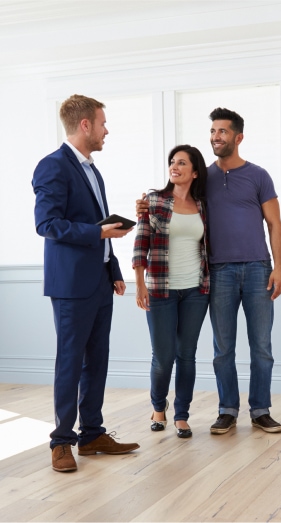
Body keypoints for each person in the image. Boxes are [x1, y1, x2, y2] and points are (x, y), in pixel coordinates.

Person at [136, 107, 281, 435]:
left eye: (223, 131)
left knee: (261, 345)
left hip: (259, 268)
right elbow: (173, 200)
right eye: (213, 131)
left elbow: (274, 224)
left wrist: (278, 267)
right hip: (218, 272)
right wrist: (145, 204)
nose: (216, 137)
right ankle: (227, 410)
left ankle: (260, 409)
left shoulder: (259, 176)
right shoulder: (203, 178)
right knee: (223, 348)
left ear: (238, 137)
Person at [32, 94, 140, 473]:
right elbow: (47, 225)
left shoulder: (93, 170)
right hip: (71, 284)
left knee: (97, 361)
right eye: (102, 123)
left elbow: (99, 227)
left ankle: (91, 434)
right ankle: (61, 441)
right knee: (70, 361)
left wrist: (113, 271)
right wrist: (98, 234)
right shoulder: (52, 167)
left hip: (99, 281)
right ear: (85, 125)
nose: (106, 129)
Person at [132, 145, 210, 439]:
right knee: (163, 357)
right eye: (172, 162)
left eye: (181, 163)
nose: (174, 167)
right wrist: (140, 284)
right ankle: (157, 408)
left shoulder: (204, 205)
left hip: (196, 291)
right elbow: (141, 245)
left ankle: (181, 415)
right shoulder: (154, 201)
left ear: (195, 171)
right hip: (160, 290)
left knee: (186, 355)